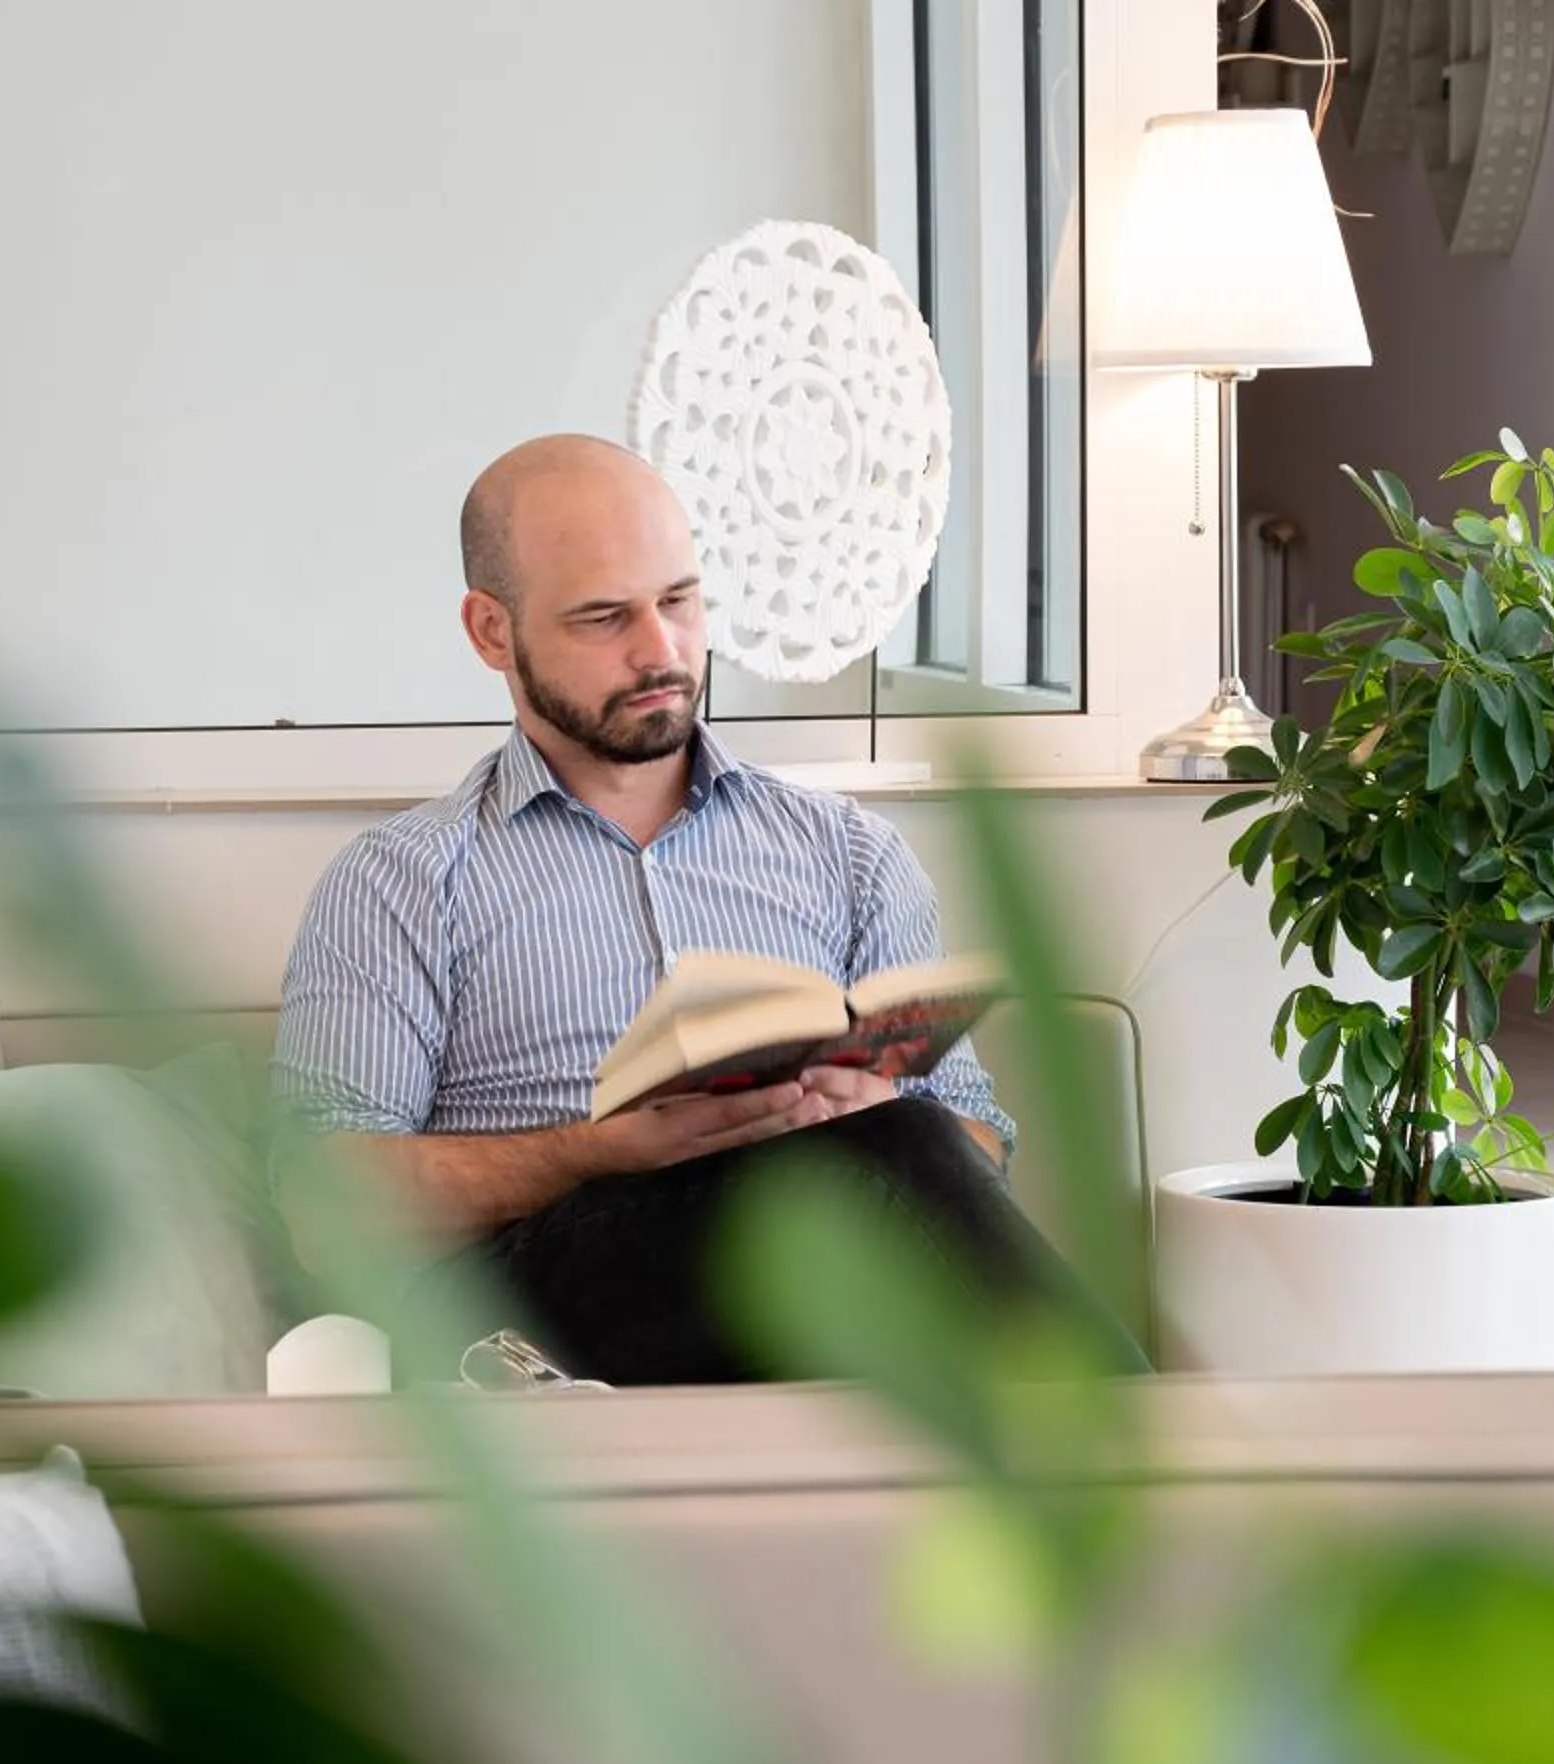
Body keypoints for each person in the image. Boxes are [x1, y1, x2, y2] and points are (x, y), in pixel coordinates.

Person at [271, 434, 1134, 1385]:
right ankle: (1159, 1460)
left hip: (795, 1274)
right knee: (881, 1166)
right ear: (492, 632)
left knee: (900, 1139)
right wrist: (589, 1152)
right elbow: (320, 1213)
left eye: (679, 601)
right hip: (529, 1302)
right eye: (603, 618)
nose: (662, 651)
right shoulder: (404, 881)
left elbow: (969, 1142)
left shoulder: (848, 855)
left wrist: (868, 1108)